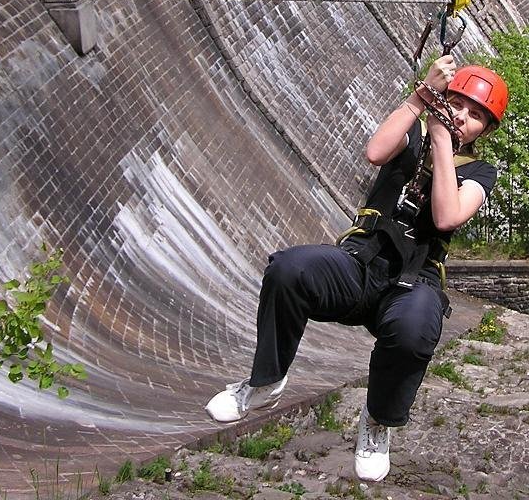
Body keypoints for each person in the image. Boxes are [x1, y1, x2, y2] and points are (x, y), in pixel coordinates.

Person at [205, 55, 508, 482]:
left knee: (416, 329)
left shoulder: (480, 171)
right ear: (446, 99)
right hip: (361, 261)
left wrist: (443, 144)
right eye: (458, 103)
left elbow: (446, 217)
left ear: (487, 130)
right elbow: (375, 151)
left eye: (476, 115)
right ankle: (266, 381)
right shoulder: (415, 131)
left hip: (414, 280)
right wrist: (420, 98)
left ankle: (377, 420)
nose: (463, 116)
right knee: (289, 270)